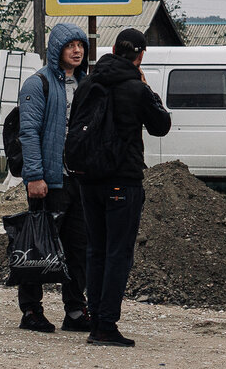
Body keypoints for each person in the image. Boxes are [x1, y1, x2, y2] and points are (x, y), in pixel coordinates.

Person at [73, 28, 172, 347]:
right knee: (118, 254)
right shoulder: (135, 88)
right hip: (122, 180)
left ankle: (94, 322)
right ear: (140, 56)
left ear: (114, 48)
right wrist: (147, 88)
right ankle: (105, 326)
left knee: (96, 250)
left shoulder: (88, 82)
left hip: (88, 179)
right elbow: (161, 126)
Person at [16, 23, 92, 333]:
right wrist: (34, 176)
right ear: (56, 49)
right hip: (49, 180)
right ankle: (31, 311)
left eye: (81, 45)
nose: (77, 50)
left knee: (79, 247)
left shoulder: (87, 83)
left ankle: (75, 311)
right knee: (37, 246)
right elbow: (29, 132)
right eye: (70, 45)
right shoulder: (39, 84)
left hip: (79, 180)